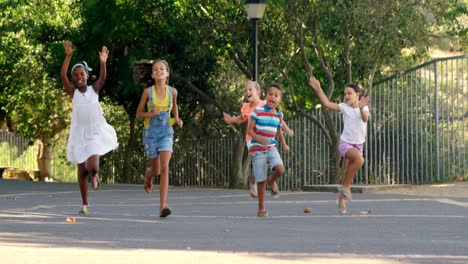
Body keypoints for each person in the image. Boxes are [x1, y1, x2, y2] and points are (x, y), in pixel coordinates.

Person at [60, 40, 119, 215]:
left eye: (82, 74)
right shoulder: (74, 93)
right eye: (76, 75)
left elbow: (103, 78)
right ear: (73, 79)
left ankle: (95, 175)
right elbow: (63, 75)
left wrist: (103, 62)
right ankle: (85, 204)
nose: (79, 77)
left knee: (92, 165)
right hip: (79, 134)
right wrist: (68, 56)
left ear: (87, 75)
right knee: (81, 170)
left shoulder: (94, 90)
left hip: (94, 132)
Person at [308, 76, 370, 214]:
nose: (346, 96)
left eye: (349, 93)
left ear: (357, 95)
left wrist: (360, 108)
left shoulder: (363, 106)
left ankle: (341, 199)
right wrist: (318, 89)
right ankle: (346, 187)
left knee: (349, 171)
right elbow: (327, 103)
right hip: (345, 143)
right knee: (359, 160)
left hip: (359, 144)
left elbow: (365, 119)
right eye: (345, 93)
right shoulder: (344, 107)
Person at [224, 81, 294, 198]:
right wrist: (231, 120)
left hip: (265, 139)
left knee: (262, 162)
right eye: (246, 90)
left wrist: (287, 130)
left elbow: (279, 120)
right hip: (251, 139)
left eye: (250, 90)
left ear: (258, 92)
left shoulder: (265, 104)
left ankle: (266, 181)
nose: (247, 92)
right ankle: (253, 184)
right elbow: (241, 118)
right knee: (257, 159)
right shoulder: (245, 107)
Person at [134, 59, 183, 218]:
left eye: (162, 69)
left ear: (167, 73)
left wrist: (177, 118)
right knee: (156, 170)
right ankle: (149, 176)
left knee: (164, 168)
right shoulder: (148, 92)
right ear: (153, 75)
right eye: (156, 69)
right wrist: (151, 113)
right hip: (151, 135)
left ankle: (163, 206)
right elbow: (138, 114)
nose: (159, 71)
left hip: (166, 133)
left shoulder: (173, 92)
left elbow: (174, 106)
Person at [247, 83, 290, 217]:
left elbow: (279, 130)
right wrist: (260, 140)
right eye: (270, 94)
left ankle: (272, 181)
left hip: (271, 147)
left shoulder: (279, 115)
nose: (272, 97)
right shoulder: (258, 111)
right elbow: (250, 130)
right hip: (258, 149)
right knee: (261, 180)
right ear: (266, 96)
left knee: (280, 169)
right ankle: (261, 208)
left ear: (279, 100)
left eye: (276, 95)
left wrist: (284, 144)